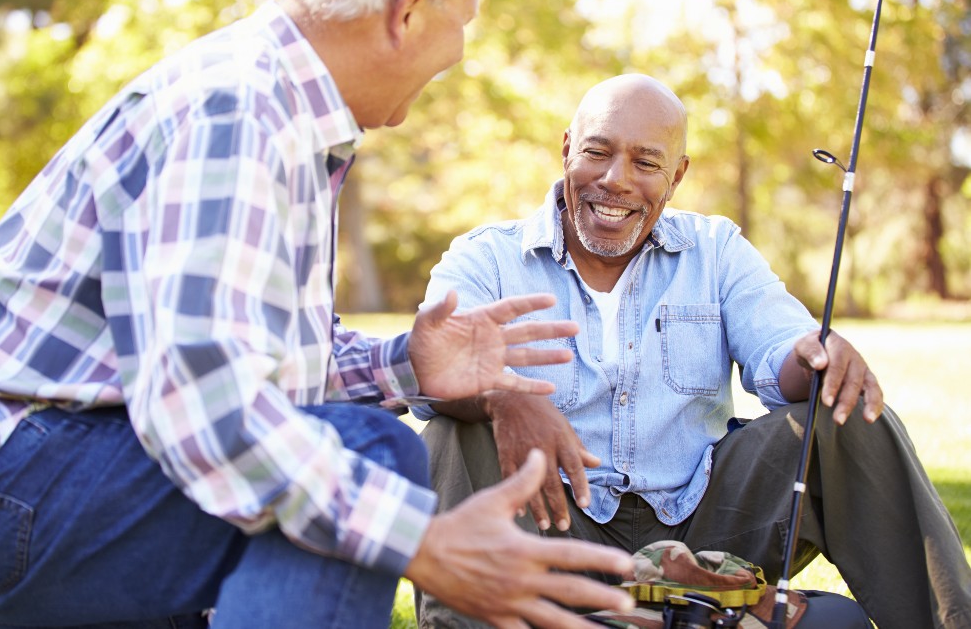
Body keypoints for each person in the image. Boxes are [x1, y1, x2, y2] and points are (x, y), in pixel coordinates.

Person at [0, 0, 640, 628]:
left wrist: (409, 363)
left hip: (57, 464)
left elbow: (251, 363)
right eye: (465, 20)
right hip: (7, 479)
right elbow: (206, 398)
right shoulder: (239, 113)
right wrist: (419, 541)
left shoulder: (284, 112)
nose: (460, 51)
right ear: (409, 12)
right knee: (367, 454)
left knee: (302, 506)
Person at [413, 73, 971, 629]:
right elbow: (433, 366)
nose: (615, 180)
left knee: (848, 413)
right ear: (566, 150)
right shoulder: (486, 258)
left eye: (646, 163)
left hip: (702, 534)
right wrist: (499, 399)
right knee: (453, 428)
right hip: (551, 527)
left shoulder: (717, 249)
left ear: (677, 175)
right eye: (597, 153)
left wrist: (813, 355)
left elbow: (781, 348)